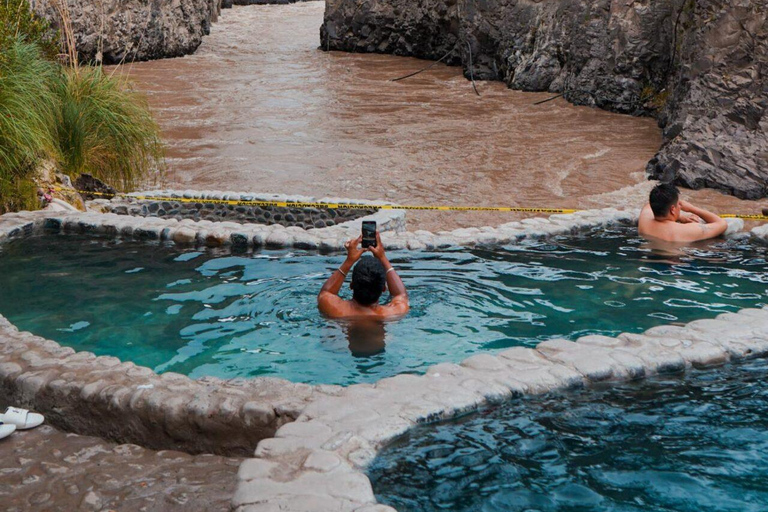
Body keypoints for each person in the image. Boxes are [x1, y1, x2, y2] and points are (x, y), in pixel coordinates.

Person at [317, 231, 409, 319]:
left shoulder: (336, 310)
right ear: (384, 289)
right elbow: (401, 294)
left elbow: (326, 292)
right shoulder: (394, 312)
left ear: (351, 285)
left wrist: (349, 261)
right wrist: (382, 257)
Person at [638, 183, 727, 243]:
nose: (679, 207)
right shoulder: (686, 230)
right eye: (678, 205)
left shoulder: (645, 220)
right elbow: (722, 224)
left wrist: (680, 217)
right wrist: (692, 208)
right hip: (674, 265)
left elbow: (650, 204)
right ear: (672, 209)